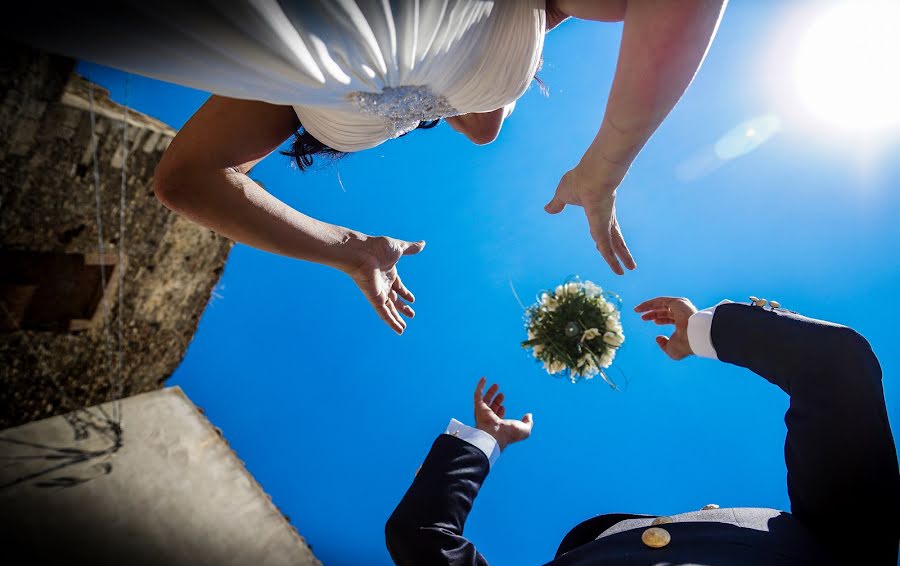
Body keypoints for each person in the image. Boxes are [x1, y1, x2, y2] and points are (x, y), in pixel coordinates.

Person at [3, 1, 727, 333]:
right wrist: (604, 165)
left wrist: (353, 251)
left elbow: (185, 181)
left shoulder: (327, 104)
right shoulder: (517, 36)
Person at [385, 296, 900, 566]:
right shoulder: (845, 545)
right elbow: (837, 369)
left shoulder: (839, 550)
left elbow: (420, 535)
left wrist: (706, 328)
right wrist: (487, 440)